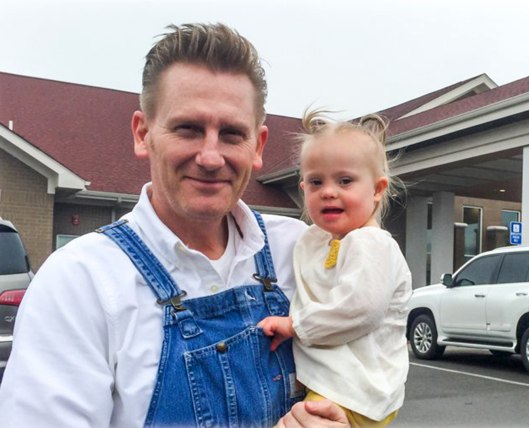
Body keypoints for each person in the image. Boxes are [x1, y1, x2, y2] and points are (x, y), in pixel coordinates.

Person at [0, 23, 348, 428]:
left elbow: (366, 361)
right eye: (189, 129)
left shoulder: (299, 251)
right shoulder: (81, 284)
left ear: (259, 146)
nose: (211, 156)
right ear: (143, 133)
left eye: (232, 133)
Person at [257, 110, 413, 427]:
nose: (328, 190)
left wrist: (295, 326)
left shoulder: (371, 244)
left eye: (345, 180)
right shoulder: (324, 242)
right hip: (342, 387)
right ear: (303, 189)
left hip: (353, 391)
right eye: (316, 181)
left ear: (377, 189)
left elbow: (359, 310)